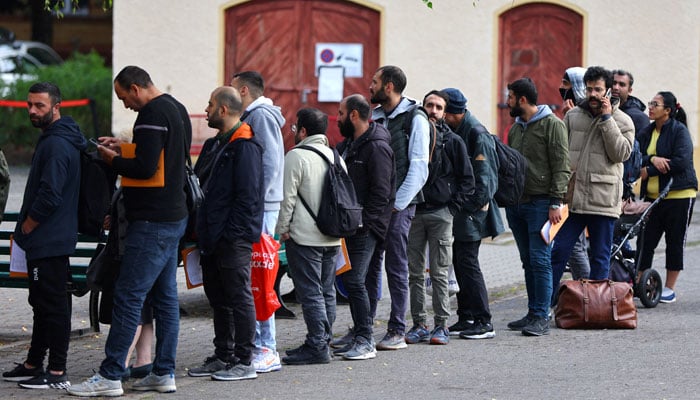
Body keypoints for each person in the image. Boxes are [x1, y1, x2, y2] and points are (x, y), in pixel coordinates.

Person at [68, 66, 190, 397]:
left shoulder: (150, 113)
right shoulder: (175, 108)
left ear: (135, 88)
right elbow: (162, 157)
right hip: (173, 216)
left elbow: (146, 167)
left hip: (151, 222)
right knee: (165, 298)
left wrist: (111, 160)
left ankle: (109, 376)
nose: (125, 106)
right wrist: (123, 147)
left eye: (124, 98)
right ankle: (163, 373)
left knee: (129, 296)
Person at [2, 82, 86, 390]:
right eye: (30, 105)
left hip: (49, 239)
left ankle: (56, 372)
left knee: (53, 306)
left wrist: (28, 225)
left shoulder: (57, 144)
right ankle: (33, 363)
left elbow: (50, 194)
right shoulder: (55, 138)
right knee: (42, 303)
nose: (33, 111)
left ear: (56, 107)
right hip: (49, 239)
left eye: (40, 106)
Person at [187, 86, 264, 381]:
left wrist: (231, 235)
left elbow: (248, 198)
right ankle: (224, 355)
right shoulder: (214, 145)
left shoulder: (245, 145)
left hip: (232, 238)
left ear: (223, 109)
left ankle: (245, 360)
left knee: (238, 296)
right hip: (210, 236)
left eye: (209, 105)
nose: (205, 110)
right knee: (218, 297)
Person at [551, 66, 634, 305]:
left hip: (603, 200)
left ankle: (597, 308)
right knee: (559, 252)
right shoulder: (573, 116)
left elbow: (621, 154)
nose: (593, 94)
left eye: (598, 89)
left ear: (608, 90)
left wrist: (607, 119)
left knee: (600, 257)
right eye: (589, 89)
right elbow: (562, 154)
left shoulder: (623, 120)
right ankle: (545, 305)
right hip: (575, 199)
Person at [366, 65, 430, 350]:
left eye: (375, 82)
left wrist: (397, 205)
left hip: (398, 207)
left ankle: (396, 329)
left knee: (396, 267)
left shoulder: (415, 118)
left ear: (388, 86)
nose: (371, 86)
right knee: (367, 266)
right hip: (376, 206)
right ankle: (363, 328)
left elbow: (419, 167)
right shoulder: (377, 117)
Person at [405, 90, 474, 345]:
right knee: (414, 273)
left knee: (439, 273)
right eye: (429, 105)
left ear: (445, 112)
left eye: (438, 107)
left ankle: (441, 325)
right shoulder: (412, 137)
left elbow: (468, 181)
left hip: (441, 214)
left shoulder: (454, 141)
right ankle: (419, 323)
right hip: (414, 214)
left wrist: (451, 209)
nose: (433, 110)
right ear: (422, 108)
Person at [504, 77, 570, 337]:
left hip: (542, 203)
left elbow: (561, 165)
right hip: (517, 203)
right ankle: (532, 312)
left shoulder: (552, 124)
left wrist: (556, 201)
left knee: (541, 260)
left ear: (522, 99)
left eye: (510, 97)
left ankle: (542, 316)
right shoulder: (517, 127)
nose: (507, 101)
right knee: (527, 261)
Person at [332, 94, 395, 360]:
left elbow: (381, 193)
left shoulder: (376, 147)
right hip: (351, 225)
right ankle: (359, 332)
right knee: (356, 281)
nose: (337, 119)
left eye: (341, 113)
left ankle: (365, 339)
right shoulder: (351, 144)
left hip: (366, 227)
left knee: (355, 280)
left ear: (354, 115)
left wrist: (365, 224)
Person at [230, 71, 285, 373]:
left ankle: (268, 347)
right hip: (260, 206)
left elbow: (271, 162)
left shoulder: (260, 116)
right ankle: (260, 345)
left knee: (261, 277)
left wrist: (255, 201)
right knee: (256, 277)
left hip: (261, 207)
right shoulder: (256, 115)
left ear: (244, 90)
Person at [276, 108, 340, 365]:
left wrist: (282, 230)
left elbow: (287, 198)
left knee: (311, 293)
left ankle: (317, 345)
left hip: (304, 237)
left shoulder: (297, 155)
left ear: (303, 131)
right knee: (327, 292)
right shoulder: (335, 156)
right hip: (332, 236)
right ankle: (323, 340)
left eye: (295, 128)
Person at [442, 87, 503, 339]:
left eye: (444, 111)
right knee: (460, 262)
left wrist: (465, 208)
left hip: (473, 213)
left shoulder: (477, 133)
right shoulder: (458, 130)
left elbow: (486, 182)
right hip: (464, 211)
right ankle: (466, 316)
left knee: (468, 263)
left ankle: (483, 320)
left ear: (454, 112)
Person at [637, 92, 697, 303]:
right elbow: (636, 155)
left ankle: (669, 288)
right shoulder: (647, 131)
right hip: (653, 198)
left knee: (674, 242)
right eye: (650, 103)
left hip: (680, 195)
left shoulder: (679, 132)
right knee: (646, 241)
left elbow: (681, 162)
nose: (650, 107)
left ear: (668, 110)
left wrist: (650, 169)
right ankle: (640, 281)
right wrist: (653, 158)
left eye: (655, 104)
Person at [554, 67, 591, 289]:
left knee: (574, 247)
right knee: (571, 247)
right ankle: (583, 290)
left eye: (565, 83)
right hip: (568, 188)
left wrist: (569, 119)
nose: (561, 87)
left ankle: (588, 291)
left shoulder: (583, 114)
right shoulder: (571, 112)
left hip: (581, 189)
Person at [611, 69, 649, 134]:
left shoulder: (639, 118)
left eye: (622, 84)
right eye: (613, 83)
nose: (616, 87)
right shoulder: (599, 110)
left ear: (629, 90)